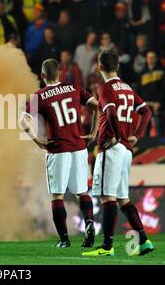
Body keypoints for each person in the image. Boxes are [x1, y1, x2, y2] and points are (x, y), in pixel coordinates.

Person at [21, 58, 99, 249]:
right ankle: (89, 223)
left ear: (43, 76)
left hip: (58, 149)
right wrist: (93, 133)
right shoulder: (74, 88)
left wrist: (38, 141)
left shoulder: (39, 96)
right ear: (60, 74)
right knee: (82, 192)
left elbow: (23, 121)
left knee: (57, 196)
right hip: (79, 147)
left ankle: (64, 239)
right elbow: (97, 106)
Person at [82, 50, 154, 257]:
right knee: (123, 198)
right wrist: (136, 135)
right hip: (125, 150)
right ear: (118, 66)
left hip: (111, 147)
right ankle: (144, 240)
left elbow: (111, 112)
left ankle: (106, 247)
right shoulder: (127, 88)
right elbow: (146, 111)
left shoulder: (104, 88)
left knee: (107, 197)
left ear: (99, 67)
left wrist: (119, 136)